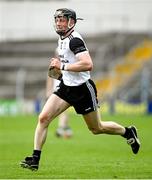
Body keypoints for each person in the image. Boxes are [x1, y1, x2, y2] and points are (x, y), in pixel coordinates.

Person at [20, 8, 141, 171]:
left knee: (97, 128)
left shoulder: (74, 40)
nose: (59, 22)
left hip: (83, 90)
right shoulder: (61, 39)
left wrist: (61, 65)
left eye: (62, 19)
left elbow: (88, 64)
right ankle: (34, 159)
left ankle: (127, 132)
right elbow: (67, 66)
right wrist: (59, 73)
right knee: (43, 118)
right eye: (57, 19)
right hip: (66, 88)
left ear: (72, 22)